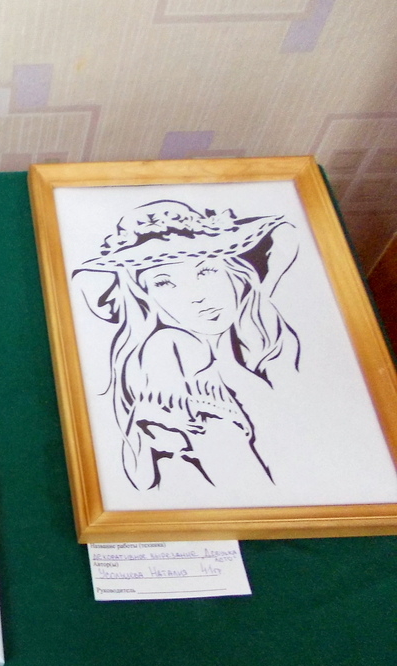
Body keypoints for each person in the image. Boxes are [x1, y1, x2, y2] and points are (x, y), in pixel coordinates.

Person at [72, 199, 301, 490]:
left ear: (233, 272)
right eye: (164, 282)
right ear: (144, 297)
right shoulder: (171, 350)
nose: (197, 295)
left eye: (206, 271)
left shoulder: (258, 343)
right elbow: (243, 485)